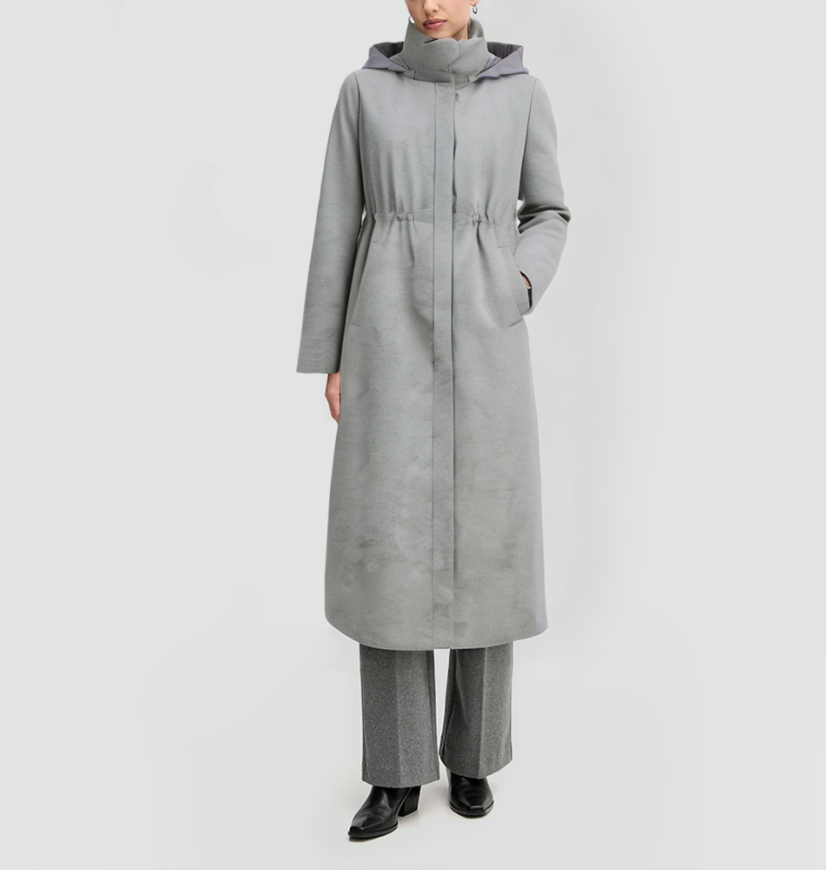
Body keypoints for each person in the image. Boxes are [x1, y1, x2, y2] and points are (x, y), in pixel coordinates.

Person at [296, 0, 570, 840]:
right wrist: (332, 354)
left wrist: (517, 282)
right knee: (387, 554)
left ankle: (474, 758)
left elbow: (549, 210)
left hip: (489, 345)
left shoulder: (521, 94)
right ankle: (395, 771)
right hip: (386, 338)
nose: (431, 4)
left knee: (489, 549)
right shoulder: (364, 92)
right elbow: (337, 222)